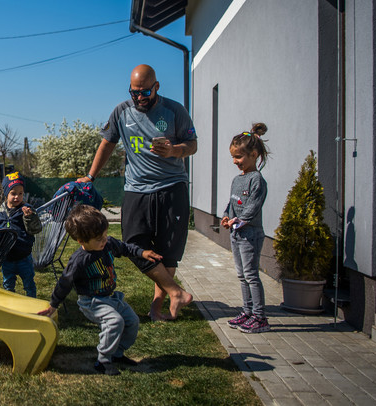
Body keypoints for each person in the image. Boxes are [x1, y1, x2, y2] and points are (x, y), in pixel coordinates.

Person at [77, 64, 195, 320]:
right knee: (132, 244)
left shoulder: (175, 110)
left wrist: (174, 150)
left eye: (145, 92)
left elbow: (192, 145)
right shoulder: (122, 111)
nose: (139, 98)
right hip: (136, 189)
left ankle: (157, 307)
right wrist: (90, 176)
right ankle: (176, 292)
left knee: (168, 250)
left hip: (172, 187)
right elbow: (107, 142)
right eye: (134, 93)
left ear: (157, 87)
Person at [38, 205, 162, 375]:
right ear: (81, 241)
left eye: (104, 235)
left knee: (132, 321)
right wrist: (53, 305)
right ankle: (103, 361)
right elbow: (64, 283)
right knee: (115, 322)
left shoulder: (108, 244)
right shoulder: (79, 261)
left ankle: (117, 353)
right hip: (92, 302)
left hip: (112, 298)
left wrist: (142, 253)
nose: (104, 240)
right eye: (98, 239)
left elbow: (125, 248)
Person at [221, 123, 270, 333]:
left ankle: (260, 317)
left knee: (251, 276)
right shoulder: (237, 180)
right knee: (242, 276)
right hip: (236, 234)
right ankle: (247, 312)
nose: (235, 162)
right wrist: (226, 216)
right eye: (233, 157)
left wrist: (238, 221)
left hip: (250, 235)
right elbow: (232, 203)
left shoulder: (257, 180)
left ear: (254, 155)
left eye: (239, 157)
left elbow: (252, 207)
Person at [0, 171, 42, 297]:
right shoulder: (0, 212)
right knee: (8, 284)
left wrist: (29, 217)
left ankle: (32, 303)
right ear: (6, 193)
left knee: (29, 283)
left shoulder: (27, 210)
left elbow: (36, 229)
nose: (17, 197)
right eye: (13, 193)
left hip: (23, 256)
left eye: (20, 193)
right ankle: (11, 305)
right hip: (6, 257)